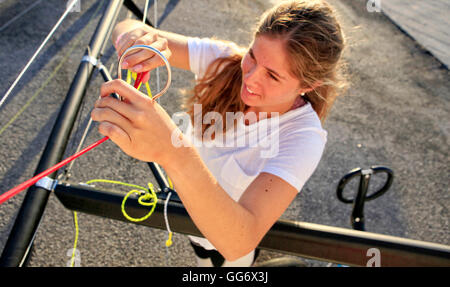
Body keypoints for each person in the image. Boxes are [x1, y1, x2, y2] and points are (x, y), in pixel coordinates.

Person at [91, 0, 346, 267]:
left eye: (272, 75)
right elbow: (125, 25)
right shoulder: (223, 61)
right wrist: (134, 37)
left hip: (225, 250)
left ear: (308, 85)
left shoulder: (303, 138)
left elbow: (239, 241)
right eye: (253, 57)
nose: (250, 78)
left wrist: (172, 151)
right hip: (190, 223)